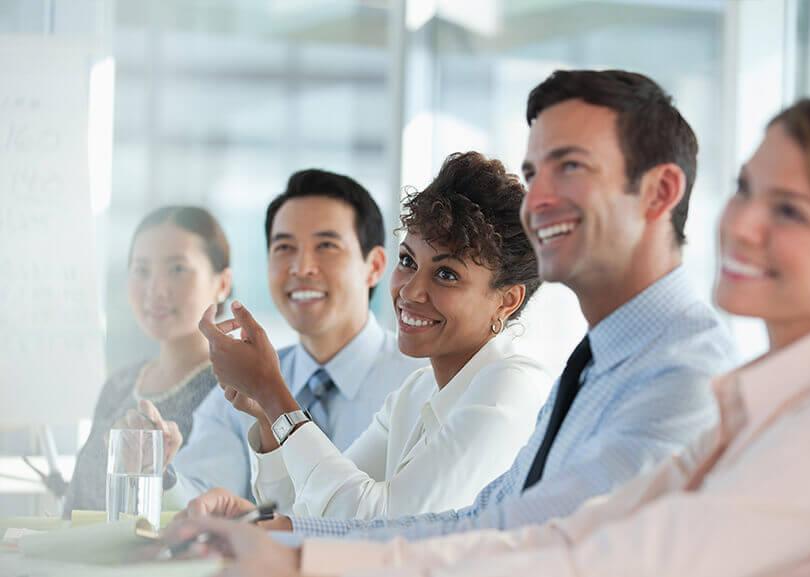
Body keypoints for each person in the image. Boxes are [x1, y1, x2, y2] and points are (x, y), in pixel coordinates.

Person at [180, 92, 810, 577]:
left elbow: (589, 559)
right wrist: (293, 541)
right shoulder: (736, 396)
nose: (740, 224)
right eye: (746, 189)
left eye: (790, 210)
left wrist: (300, 544)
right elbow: (517, 527)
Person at [197, 151, 551, 520]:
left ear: (507, 300)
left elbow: (380, 524)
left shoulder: (510, 389)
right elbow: (314, 515)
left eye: (446, 274)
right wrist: (268, 415)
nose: (410, 291)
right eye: (408, 262)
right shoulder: (416, 392)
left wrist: (274, 394)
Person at [163, 170, 426, 506]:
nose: (301, 268)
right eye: (284, 247)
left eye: (326, 246)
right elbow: (204, 500)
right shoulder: (238, 389)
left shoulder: (418, 381)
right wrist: (162, 472)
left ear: (374, 266)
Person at [63, 206, 232, 515]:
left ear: (222, 284)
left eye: (177, 269)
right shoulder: (119, 384)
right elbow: (73, 509)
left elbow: (222, 514)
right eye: (142, 270)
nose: (155, 289)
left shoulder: (233, 390)